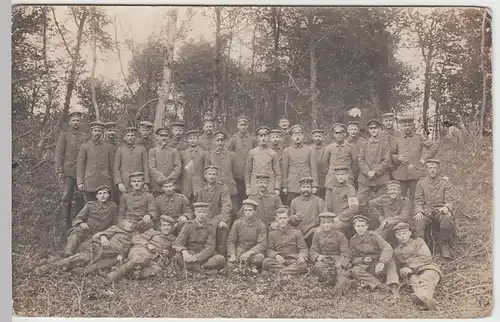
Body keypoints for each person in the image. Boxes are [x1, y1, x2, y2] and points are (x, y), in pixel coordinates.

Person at [35, 213, 137, 275]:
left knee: (87, 270)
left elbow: (129, 250)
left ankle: (59, 266)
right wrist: (103, 237)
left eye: (133, 223)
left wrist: (121, 256)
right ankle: (46, 267)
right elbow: (98, 235)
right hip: (99, 250)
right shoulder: (116, 228)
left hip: (111, 258)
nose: (131, 225)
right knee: (77, 259)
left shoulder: (134, 236)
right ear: (124, 222)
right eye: (129, 222)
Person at [106, 214, 177, 283]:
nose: (166, 227)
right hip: (141, 250)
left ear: (172, 227)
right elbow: (135, 238)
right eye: (164, 225)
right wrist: (147, 244)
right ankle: (115, 275)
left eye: (169, 225)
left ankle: (129, 275)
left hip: (153, 259)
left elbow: (174, 253)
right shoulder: (153, 232)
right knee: (141, 258)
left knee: (157, 270)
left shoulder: (174, 239)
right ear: (160, 227)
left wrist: (168, 253)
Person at [393, 222, 442, 310]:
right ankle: (427, 301)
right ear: (396, 236)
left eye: (404, 233)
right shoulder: (396, 251)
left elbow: (426, 257)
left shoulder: (418, 241)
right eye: (399, 234)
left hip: (427, 268)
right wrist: (402, 271)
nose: (402, 236)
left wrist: (411, 268)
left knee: (426, 280)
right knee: (414, 282)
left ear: (409, 233)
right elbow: (397, 267)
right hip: (412, 274)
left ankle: (426, 299)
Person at [413, 159, 455, 259]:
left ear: (438, 170)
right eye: (430, 168)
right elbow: (418, 200)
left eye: (435, 168)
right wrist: (419, 211)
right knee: (418, 220)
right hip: (426, 212)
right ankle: (421, 247)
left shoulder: (445, 183)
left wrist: (446, 207)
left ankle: (443, 244)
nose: (432, 170)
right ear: (426, 170)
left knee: (448, 216)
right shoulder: (421, 183)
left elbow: (450, 199)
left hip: (440, 211)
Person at [54, 107, 89, 228]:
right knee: (66, 196)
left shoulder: (85, 136)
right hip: (68, 171)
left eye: (78, 120)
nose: (75, 123)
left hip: (83, 172)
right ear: (70, 122)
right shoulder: (64, 135)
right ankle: (65, 222)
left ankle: (79, 221)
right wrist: (59, 169)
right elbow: (59, 153)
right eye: (73, 120)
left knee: (82, 196)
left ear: (81, 122)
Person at [61, 185, 118, 258]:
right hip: (87, 230)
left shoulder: (113, 207)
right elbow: (77, 218)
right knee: (76, 231)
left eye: (104, 193)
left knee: (85, 248)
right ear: (97, 196)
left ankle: (74, 257)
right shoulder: (90, 205)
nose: (102, 196)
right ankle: (67, 251)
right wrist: (81, 223)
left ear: (108, 195)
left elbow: (115, 222)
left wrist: (105, 234)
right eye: (100, 194)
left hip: (100, 234)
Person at [349, 215, 399, 295]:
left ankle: (393, 285)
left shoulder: (374, 237)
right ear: (354, 227)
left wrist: (382, 262)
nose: (360, 228)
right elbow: (352, 257)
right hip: (368, 267)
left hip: (379, 263)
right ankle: (378, 285)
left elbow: (387, 248)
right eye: (358, 226)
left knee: (390, 261)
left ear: (367, 226)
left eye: (362, 226)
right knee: (355, 271)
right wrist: (362, 260)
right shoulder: (353, 241)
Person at [391, 114, 438, 200]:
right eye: (405, 125)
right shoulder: (397, 139)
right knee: (401, 198)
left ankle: (417, 212)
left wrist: (424, 159)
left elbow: (433, 146)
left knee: (417, 197)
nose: (407, 127)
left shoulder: (419, 137)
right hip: (401, 173)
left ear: (413, 126)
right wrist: (398, 158)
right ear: (402, 126)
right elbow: (391, 154)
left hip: (416, 172)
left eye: (409, 125)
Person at [173, 202, 226, 275]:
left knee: (221, 260)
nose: (201, 215)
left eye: (204, 212)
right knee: (177, 256)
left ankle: (194, 269)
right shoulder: (188, 225)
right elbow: (177, 243)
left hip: (205, 255)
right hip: (189, 253)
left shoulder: (210, 227)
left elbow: (210, 247)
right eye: (199, 212)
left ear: (207, 213)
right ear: (195, 213)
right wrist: (184, 251)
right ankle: (205, 271)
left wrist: (196, 258)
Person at [309, 212, 352, 297]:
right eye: (323, 223)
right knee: (318, 266)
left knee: (340, 283)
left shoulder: (340, 235)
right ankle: (329, 281)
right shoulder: (317, 235)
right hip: (324, 261)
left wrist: (341, 264)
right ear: (321, 224)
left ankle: (339, 283)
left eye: (328, 222)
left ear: (333, 223)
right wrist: (318, 256)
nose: (326, 225)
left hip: (338, 261)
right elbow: (313, 250)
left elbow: (346, 252)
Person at [197, 165, 232, 257]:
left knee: (223, 229)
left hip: (218, 217)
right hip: (204, 218)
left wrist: (222, 220)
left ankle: (221, 257)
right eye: (209, 174)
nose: (211, 176)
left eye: (214, 174)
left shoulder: (222, 188)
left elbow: (227, 205)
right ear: (205, 176)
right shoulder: (201, 189)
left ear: (216, 176)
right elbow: (198, 206)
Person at [357, 119, 391, 216]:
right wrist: (367, 171)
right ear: (368, 130)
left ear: (379, 129)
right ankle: (362, 224)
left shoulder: (385, 143)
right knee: (360, 202)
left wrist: (375, 172)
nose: (373, 130)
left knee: (381, 203)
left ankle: (380, 224)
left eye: (375, 128)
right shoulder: (364, 143)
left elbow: (386, 160)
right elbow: (360, 159)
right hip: (365, 178)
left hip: (380, 178)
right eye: (371, 128)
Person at [262, 207, 308, 275]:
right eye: (280, 218)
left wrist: (302, 256)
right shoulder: (272, 234)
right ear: (276, 219)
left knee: (303, 265)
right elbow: (269, 250)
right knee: (265, 262)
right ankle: (289, 271)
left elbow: (303, 248)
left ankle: (278, 272)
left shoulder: (297, 232)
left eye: (284, 218)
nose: (282, 221)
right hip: (279, 261)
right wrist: (276, 256)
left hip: (293, 260)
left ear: (288, 218)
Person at [205, 130, 239, 219]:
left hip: (230, 189)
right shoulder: (209, 155)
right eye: (217, 140)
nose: (220, 143)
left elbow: (235, 171)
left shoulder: (231, 155)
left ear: (225, 141)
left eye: (222, 140)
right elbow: (206, 172)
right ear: (214, 141)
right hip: (215, 190)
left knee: (233, 213)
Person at [77, 121, 113, 203]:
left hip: (105, 182)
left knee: (106, 207)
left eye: (99, 131)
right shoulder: (85, 146)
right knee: (90, 206)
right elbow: (80, 166)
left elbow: (111, 166)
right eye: (95, 130)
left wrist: (112, 181)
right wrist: (80, 182)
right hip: (90, 182)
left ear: (102, 132)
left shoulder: (108, 147)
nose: (97, 133)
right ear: (91, 132)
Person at [227, 199, 267, 273]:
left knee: (260, 258)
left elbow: (262, 244)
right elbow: (231, 241)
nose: (247, 212)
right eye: (245, 210)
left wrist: (249, 253)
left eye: (250, 210)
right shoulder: (237, 223)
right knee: (230, 264)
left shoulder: (260, 225)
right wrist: (232, 254)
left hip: (253, 253)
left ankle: (244, 267)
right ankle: (249, 267)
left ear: (255, 211)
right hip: (240, 251)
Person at [282, 124, 318, 206]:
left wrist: (315, 185)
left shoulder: (309, 150)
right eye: (295, 135)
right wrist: (284, 186)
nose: (297, 137)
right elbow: (284, 170)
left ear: (303, 136)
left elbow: (313, 168)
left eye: (299, 135)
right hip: (292, 184)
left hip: (307, 184)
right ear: (291, 137)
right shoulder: (287, 150)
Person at [227, 115, 258, 207]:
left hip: (251, 172)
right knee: (239, 196)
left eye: (244, 125)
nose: (243, 127)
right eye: (241, 125)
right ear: (238, 126)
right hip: (238, 173)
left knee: (250, 195)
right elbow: (229, 155)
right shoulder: (233, 140)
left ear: (247, 125)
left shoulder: (253, 139)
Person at [369, 180, 412, 245]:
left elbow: (403, 217)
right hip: (386, 225)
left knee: (400, 225)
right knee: (376, 237)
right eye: (390, 190)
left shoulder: (405, 201)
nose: (392, 191)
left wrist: (387, 221)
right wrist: (380, 217)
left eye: (395, 189)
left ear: (399, 191)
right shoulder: (383, 199)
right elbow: (371, 203)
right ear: (387, 192)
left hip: (400, 224)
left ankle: (402, 248)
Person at [288, 176, 325, 247]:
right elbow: (290, 220)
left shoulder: (319, 201)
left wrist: (319, 228)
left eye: (308, 187)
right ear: (300, 188)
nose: (306, 189)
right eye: (303, 187)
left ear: (311, 188)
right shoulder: (294, 202)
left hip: (313, 232)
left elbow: (324, 218)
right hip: (299, 232)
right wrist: (294, 218)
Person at [245, 126, 282, 196]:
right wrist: (248, 187)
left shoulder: (273, 153)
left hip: (269, 185)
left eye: (265, 135)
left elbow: (277, 173)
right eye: (261, 135)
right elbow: (248, 172)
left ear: (268, 137)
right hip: (255, 185)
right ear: (258, 138)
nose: (263, 138)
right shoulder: (252, 152)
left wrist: (277, 188)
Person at [323, 165, 359, 237]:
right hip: (334, 218)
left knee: (334, 227)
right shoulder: (334, 189)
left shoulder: (349, 189)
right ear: (335, 176)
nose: (340, 177)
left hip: (346, 219)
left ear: (346, 175)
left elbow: (354, 208)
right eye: (338, 174)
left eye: (342, 174)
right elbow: (329, 207)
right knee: (320, 229)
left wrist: (340, 217)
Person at [113, 127, 150, 195]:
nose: (130, 137)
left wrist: (146, 182)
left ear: (135, 137)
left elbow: (146, 166)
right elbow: (116, 168)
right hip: (124, 183)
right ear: (124, 138)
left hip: (138, 182)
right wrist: (119, 183)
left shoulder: (141, 149)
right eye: (128, 135)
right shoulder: (120, 149)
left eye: (132, 135)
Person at [149, 126, 182, 198]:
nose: (164, 138)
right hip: (157, 185)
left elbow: (178, 166)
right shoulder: (153, 151)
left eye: (166, 136)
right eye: (161, 136)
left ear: (169, 138)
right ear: (157, 137)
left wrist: (170, 179)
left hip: (172, 184)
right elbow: (152, 167)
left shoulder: (174, 150)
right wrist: (162, 179)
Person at [323, 123, 358, 189]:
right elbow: (325, 163)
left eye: (341, 133)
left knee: (349, 194)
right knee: (330, 196)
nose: (338, 135)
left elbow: (355, 164)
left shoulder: (351, 148)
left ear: (344, 134)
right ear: (333, 135)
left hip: (347, 177)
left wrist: (350, 174)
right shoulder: (329, 148)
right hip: (332, 177)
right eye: (336, 133)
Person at [179, 129, 207, 203]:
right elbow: (180, 170)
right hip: (186, 185)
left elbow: (206, 169)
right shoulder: (182, 153)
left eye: (194, 138)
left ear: (198, 139)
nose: (192, 140)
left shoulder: (204, 153)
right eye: (190, 139)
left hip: (199, 184)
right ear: (187, 140)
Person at [104, 122, 121, 204]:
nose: (111, 132)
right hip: (104, 173)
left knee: (117, 195)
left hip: (117, 174)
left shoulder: (119, 145)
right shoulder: (102, 144)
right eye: (109, 130)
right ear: (105, 131)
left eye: (113, 130)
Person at [347, 121, 366, 189]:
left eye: (355, 129)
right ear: (348, 130)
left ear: (358, 130)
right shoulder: (344, 142)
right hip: (349, 171)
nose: (353, 131)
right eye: (351, 129)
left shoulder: (363, 142)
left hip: (361, 171)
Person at [269, 128, 286, 203]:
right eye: (273, 137)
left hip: (282, 178)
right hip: (271, 179)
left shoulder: (284, 151)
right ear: (269, 139)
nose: (275, 139)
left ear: (280, 139)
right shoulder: (268, 151)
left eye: (277, 137)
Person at [310, 129, 328, 200]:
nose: (318, 138)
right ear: (313, 138)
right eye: (316, 136)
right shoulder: (309, 149)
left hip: (324, 177)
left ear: (323, 138)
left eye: (320, 136)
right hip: (313, 177)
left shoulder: (327, 148)